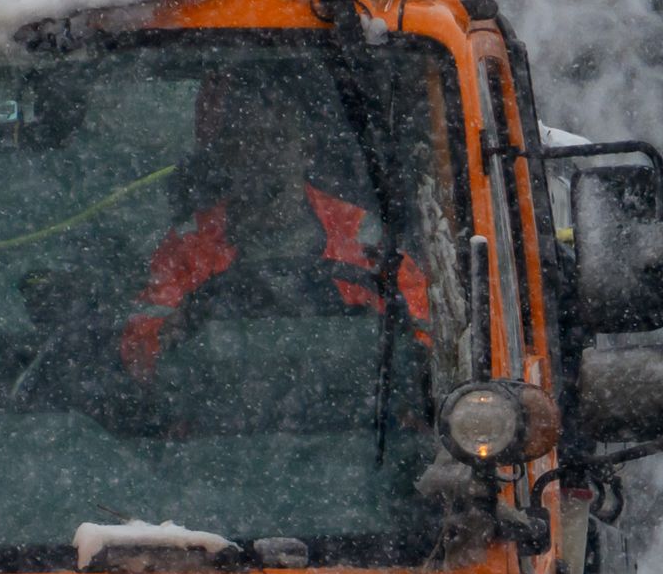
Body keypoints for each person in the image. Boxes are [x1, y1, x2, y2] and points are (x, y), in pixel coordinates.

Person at [119, 70, 432, 375]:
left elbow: (424, 340)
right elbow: (139, 351)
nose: (265, 155)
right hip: (221, 420)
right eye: (250, 141)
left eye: (279, 138)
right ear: (229, 155)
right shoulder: (188, 246)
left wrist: (384, 339)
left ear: (307, 150)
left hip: (356, 419)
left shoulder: (363, 236)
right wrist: (173, 336)